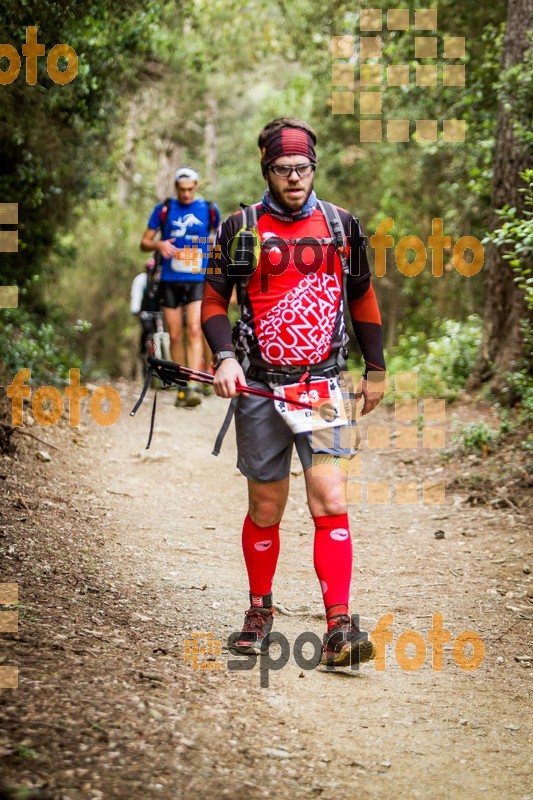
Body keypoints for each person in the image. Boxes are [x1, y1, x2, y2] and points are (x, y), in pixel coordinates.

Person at [201, 118, 386, 667]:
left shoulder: (340, 225)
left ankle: (339, 626)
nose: (295, 177)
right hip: (258, 386)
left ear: (314, 168)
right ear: (267, 170)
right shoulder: (241, 228)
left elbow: (363, 298)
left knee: (330, 501)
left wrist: (375, 368)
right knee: (265, 507)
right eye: (283, 169)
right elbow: (213, 304)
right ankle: (260, 611)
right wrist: (226, 358)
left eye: (303, 167)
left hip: (322, 385)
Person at [140, 167, 220, 407]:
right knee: (175, 335)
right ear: (176, 188)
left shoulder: (208, 209)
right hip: (170, 280)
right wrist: (159, 244)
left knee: (195, 329)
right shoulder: (164, 209)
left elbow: (219, 242)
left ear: (196, 186)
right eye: (182, 190)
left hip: (197, 279)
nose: (186, 194)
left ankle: (193, 384)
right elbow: (144, 242)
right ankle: (182, 385)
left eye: (190, 189)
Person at [130, 257, 161, 369]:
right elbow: (136, 295)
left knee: (163, 332)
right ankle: (143, 350)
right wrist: (136, 310)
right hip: (145, 313)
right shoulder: (141, 280)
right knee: (147, 329)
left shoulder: (161, 281)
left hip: (159, 313)